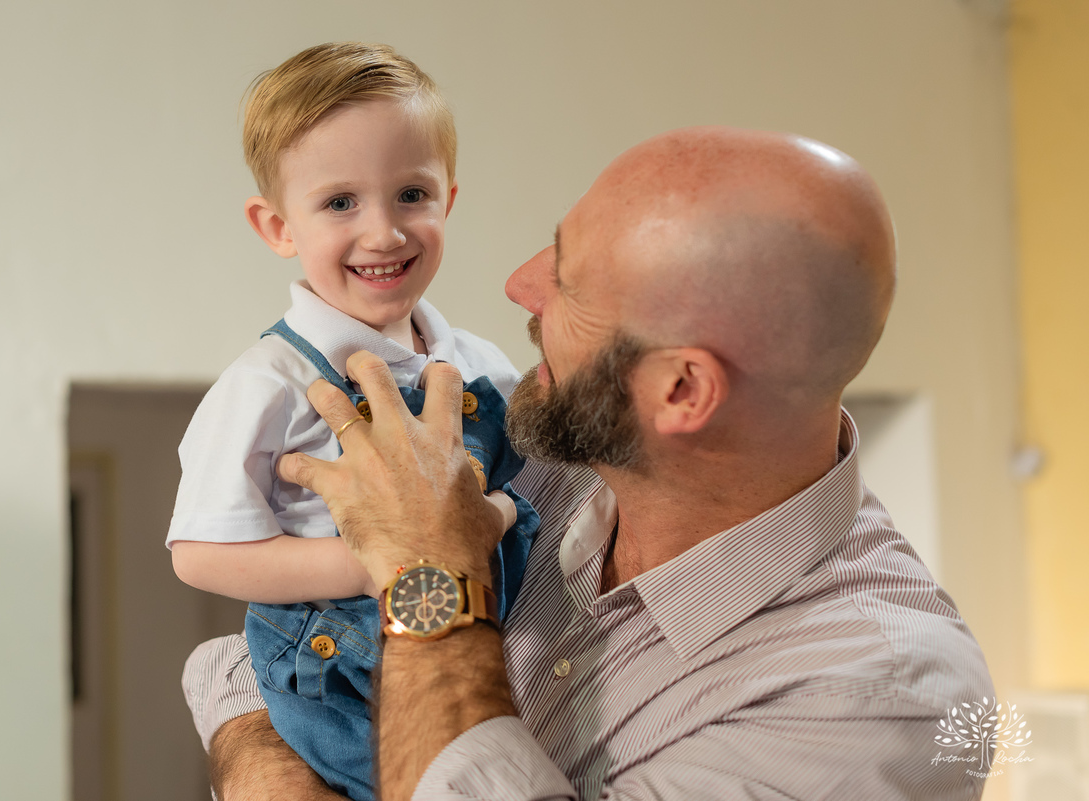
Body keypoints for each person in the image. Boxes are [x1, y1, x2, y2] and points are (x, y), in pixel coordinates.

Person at [184, 126, 996, 800]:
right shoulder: (546, 461)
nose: (519, 285)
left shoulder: (882, 701)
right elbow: (257, 658)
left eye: (568, 282)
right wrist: (268, 764)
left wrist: (431, 573)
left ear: (681, 389)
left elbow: (393, 588)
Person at [166, 42, 537, 801]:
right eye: (341, 203)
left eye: (411, 194)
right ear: (278, 227)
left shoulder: (482, 362)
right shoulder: (268, 382)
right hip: (334, 670)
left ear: (449, 202)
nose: (384, 232)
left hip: (487, 643)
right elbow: (199, 553)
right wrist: (382, 560)